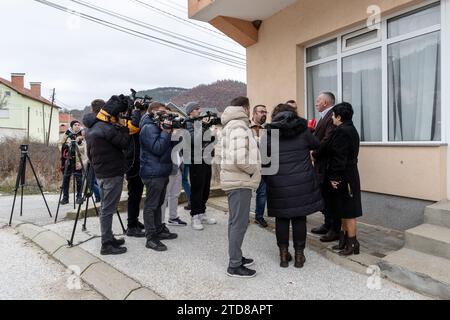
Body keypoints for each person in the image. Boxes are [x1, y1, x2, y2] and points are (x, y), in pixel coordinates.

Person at [264, 104, 323, 268]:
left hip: (278, 183)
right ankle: (299, 256)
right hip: (301, 183)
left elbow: (264, 162)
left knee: (281, 219)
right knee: (299, 218)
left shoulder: (268, 134)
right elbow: (317, 145)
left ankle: (283, 256)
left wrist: (269, 181)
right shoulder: (303, 131)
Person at [84, 95, 131, 255]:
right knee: (107, 209)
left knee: (106, 207)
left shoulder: (91, 127)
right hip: (111, 173)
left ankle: (109, 237)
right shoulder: (105, 128)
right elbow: (124, 142)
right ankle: (106, 244)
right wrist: (123, 125)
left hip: (102, 173)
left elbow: (89, 155)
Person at [219, 96, 260, 278]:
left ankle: (236, 256)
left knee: (235, 222)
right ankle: (234, 265)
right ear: (245, 107)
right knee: (239, 224)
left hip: (236, 180)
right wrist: (252, 170)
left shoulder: (231, 125)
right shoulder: (238, 126)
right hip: (239, 181)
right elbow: (239, 156)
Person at [315, 102, 363, 256]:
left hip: (344, 175)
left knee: (349, 211)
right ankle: (344, 240)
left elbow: (339, 156)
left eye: (334, 116)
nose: (332, 119)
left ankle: (352, 243)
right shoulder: (349, 129)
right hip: (347, 173)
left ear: (339, 117)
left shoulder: (342, 131)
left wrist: (335, 177)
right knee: (342, 209)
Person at [140, 102, 178, 252]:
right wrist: (166, 132)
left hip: (161, 170)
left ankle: (158, 230)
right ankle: (151, 238)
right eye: (163, 112)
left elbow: (165, 146)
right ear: (154, 112)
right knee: (151, 205)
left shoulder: (157, 126)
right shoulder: (148, 128)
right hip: (153, 172)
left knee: (159, 203)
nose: (166, 115)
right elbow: (157, 148)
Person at [310, 92, 341, 243]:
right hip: (321, 165)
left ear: (326, 102)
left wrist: (314, 153)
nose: (316, 103)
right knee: (324, 196)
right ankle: (327, 224)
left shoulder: (331, 116)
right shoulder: (325, 116)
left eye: (318, 100)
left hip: (327, 165)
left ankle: (334, 229)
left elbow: (327, 139)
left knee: (330, 198)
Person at [184, 101, 217, 231]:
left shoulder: (201, 124)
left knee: (205, 188)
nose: (199, 110)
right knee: (197, 188)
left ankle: (202, 212)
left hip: (206, 158)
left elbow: (207, 138)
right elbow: (194, 139)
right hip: (195, 160)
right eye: (197, 109)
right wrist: (203, 126)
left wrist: (211, 133)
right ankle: (195, 216)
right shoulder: (187, 124)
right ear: (191, 111)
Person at [125, 100, 147, 238]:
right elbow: (135, 125)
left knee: (137, 194)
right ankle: (131, 226)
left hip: (137, 161)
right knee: (134, 195)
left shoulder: (131, 123)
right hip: (133, 163)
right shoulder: (129, 124)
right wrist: (136, 110)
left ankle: (134, 220)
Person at [250, 105, 268, 228]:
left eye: (265, 112)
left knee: (262, 193)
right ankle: (243, 216)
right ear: (254, 113)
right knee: (246, 193)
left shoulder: (267, 129)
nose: (264, 114)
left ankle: (259, 216)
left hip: (263, 166)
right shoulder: (245, 128)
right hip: (248, 166)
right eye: (261, 112)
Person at [59, 120, 85, 205]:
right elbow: (60, 144)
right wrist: (65, 151)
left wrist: (77, 143)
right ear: (72, 126)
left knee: (79, 179)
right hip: (67, 160)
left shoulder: (82, 134)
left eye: (78, 124)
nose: (77, 126)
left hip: (78, 160)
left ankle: (79, 197)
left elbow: (85, 147)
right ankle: (65, 198)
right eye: (75, 125)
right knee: (66, 178)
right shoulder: (66, 134)